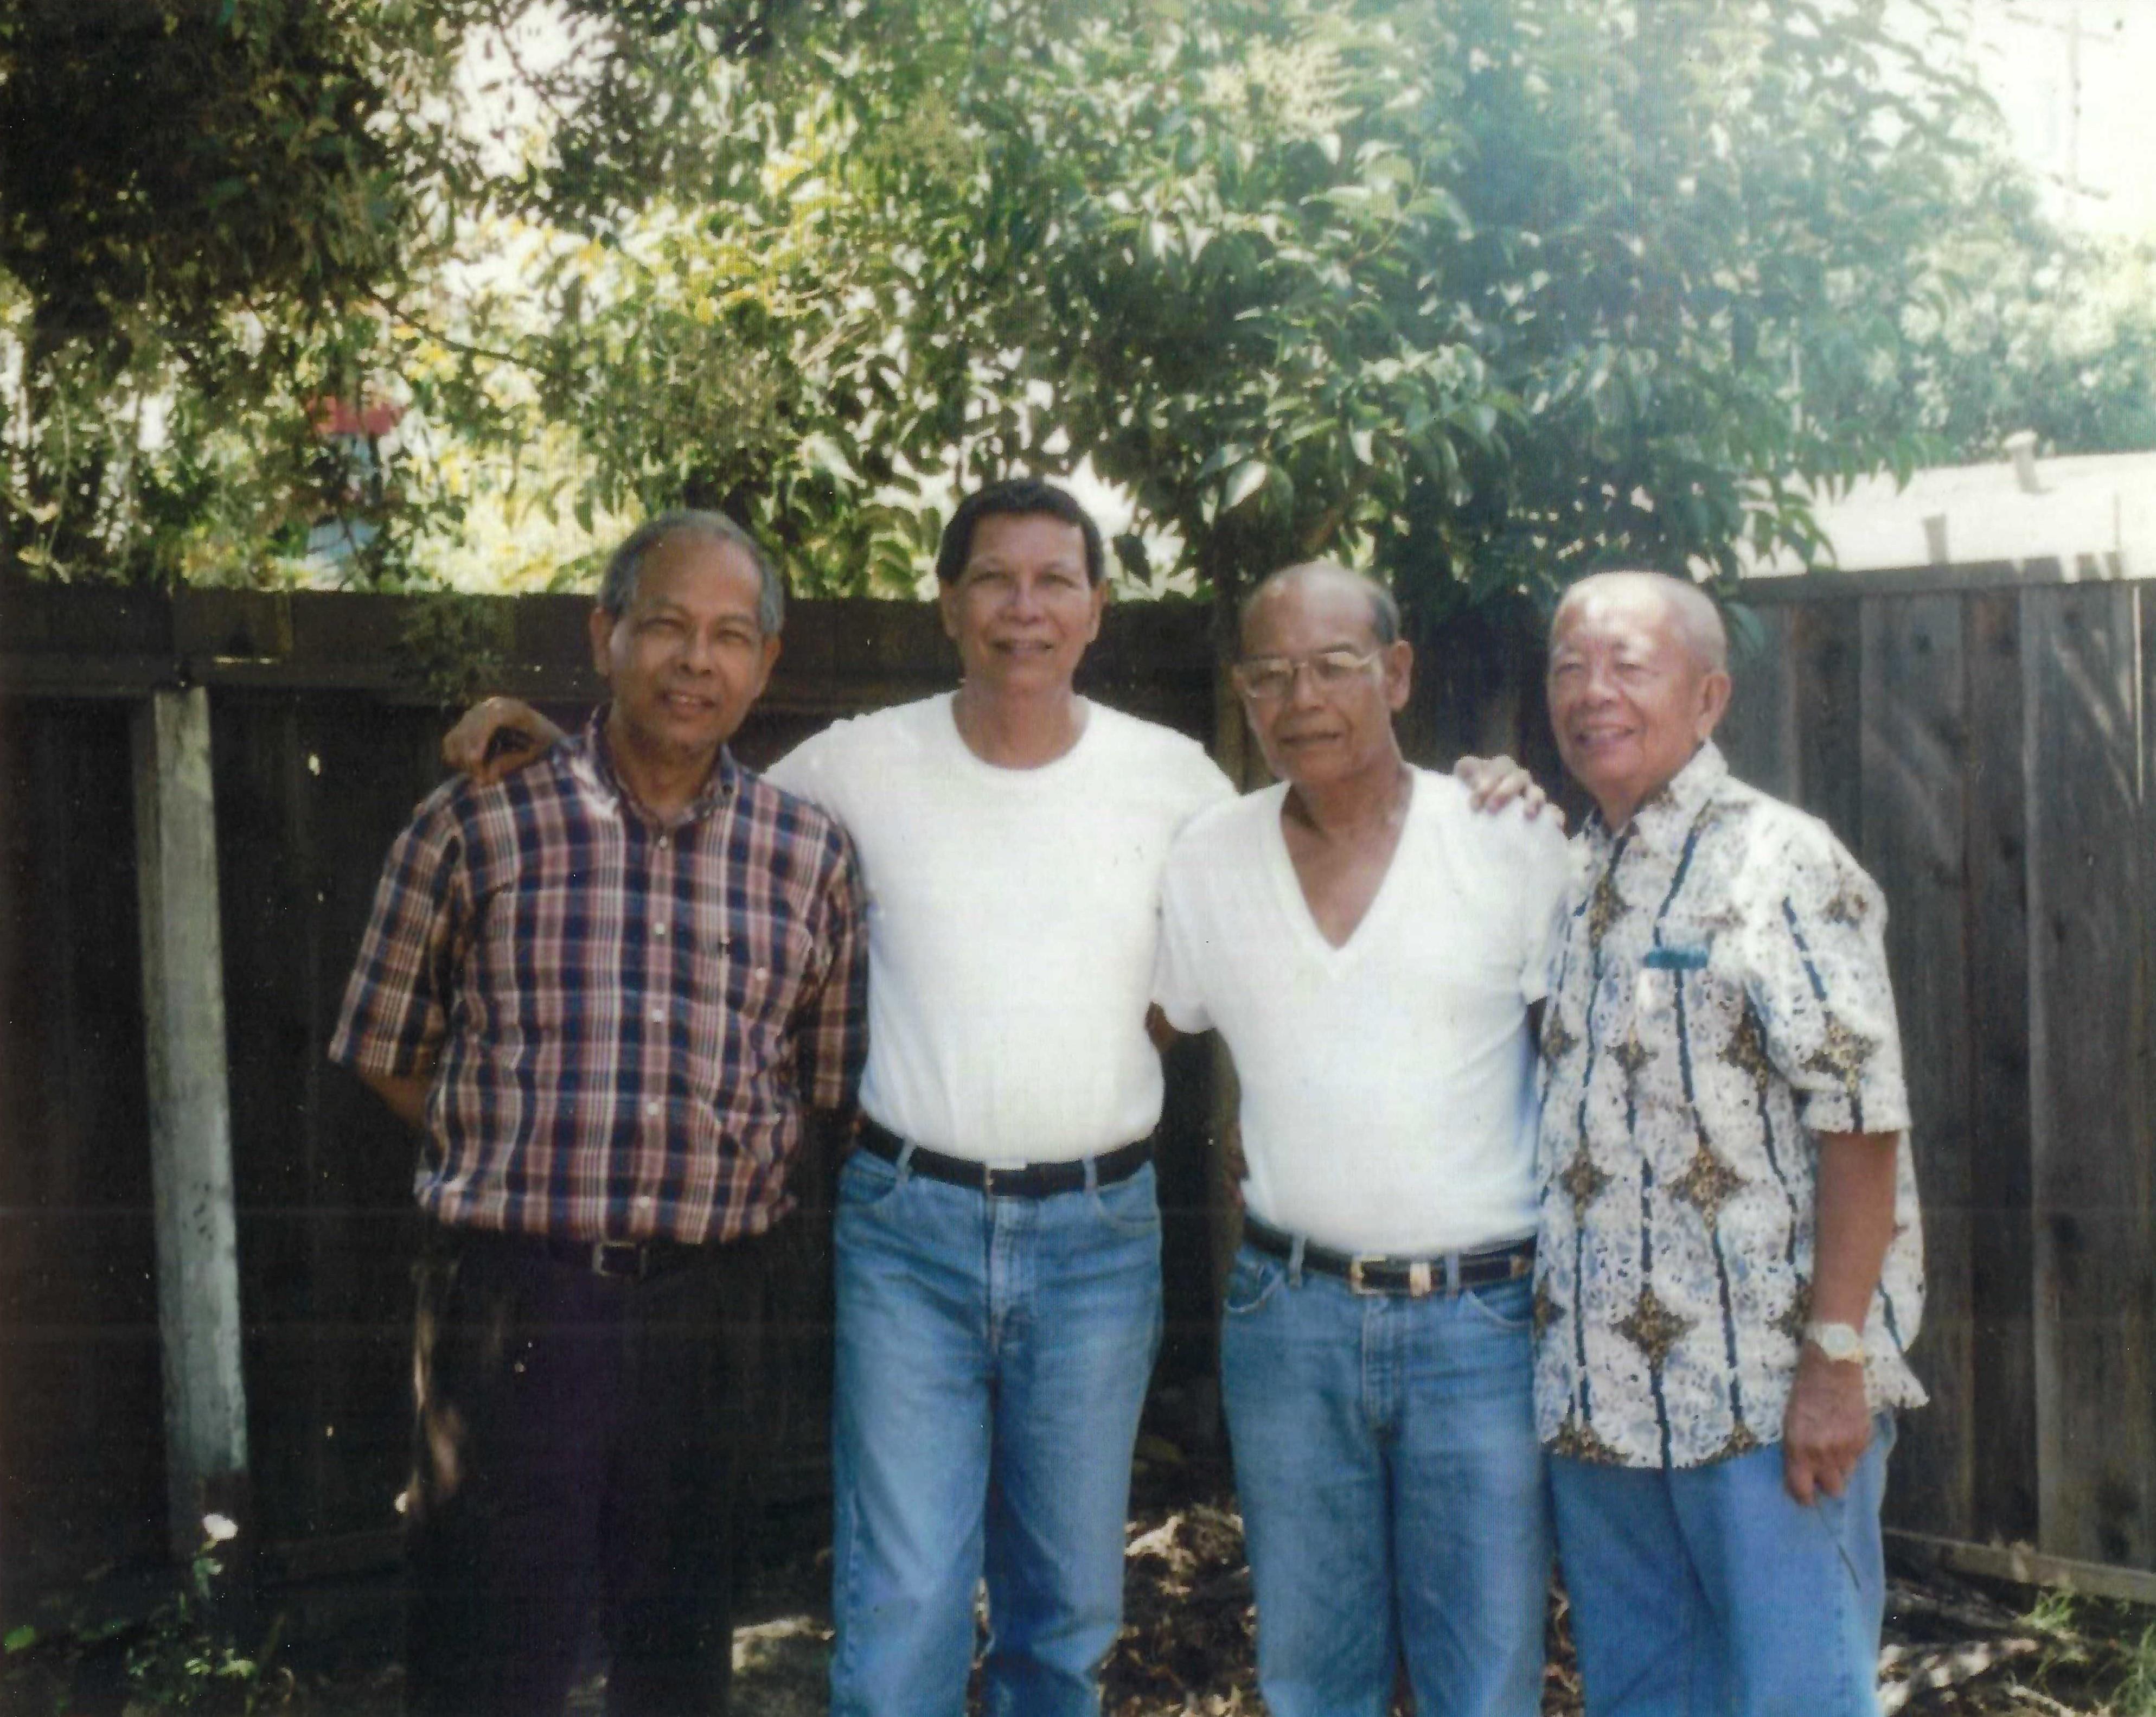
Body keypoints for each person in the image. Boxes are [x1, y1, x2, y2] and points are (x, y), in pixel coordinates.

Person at [442, 477, 1235, 1717]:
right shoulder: (857, 766)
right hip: (908, 1230)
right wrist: (542, 735)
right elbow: (681, 782)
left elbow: (1290, 887)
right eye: (992, 578)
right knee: (905, 1594)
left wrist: (1485, 790)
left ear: (1096, 609)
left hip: (1096, 1238)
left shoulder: (1176, 779)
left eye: (1054, 581)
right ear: (946, 601)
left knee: (1068, 1598)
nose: (1022, 608)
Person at [330, 512, 869, 1716]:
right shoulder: (474, 819)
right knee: (488, 1651)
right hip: (516, 1301)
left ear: (765, 664)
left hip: (706, 1308)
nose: (696, 660)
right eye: (666, 625)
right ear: (604, 634)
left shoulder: (807, 853)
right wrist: (515, 1151)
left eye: (731, 636)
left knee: (676, 1648)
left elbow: (822, 1080)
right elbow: (382, 1046)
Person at [1152, 561, 1569, 1717]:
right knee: (1311, 1670)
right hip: (1287, 1319)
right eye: (1271, 674)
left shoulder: (1505, 838)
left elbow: (1584, 1068)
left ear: (1394, 673)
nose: (1302, 697)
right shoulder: (1205, 858)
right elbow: (1154, 1027)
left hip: (1480, 1323)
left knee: (1480, 1677)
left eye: (1334, 664)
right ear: (1242, 693)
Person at [1533, 569, 1924, 1717]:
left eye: (1626, 666)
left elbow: (1861, 1121)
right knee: (1643, 1698)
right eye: (1567, 665)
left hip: (1760, 1398)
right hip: (1598, 1395)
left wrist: (1834, 1362)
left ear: (1707, 697)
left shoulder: (1781, 862)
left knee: (1795, 1696)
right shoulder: (1568, 868)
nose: (1590, 692)